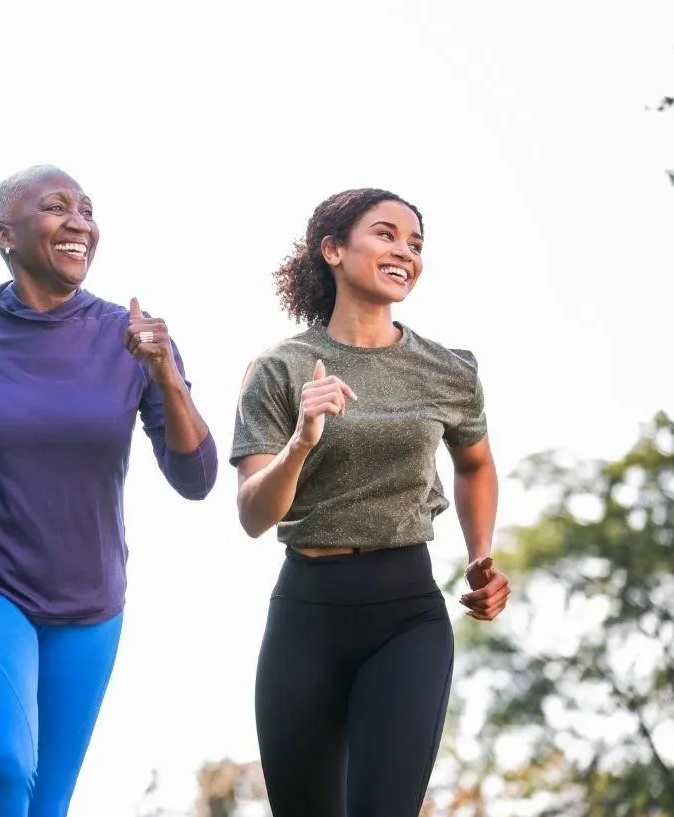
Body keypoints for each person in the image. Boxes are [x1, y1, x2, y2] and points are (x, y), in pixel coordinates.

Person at [0, 165, 218, 817]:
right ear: (4, 235)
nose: (79, 222)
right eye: (56, 208)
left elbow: (196, 477)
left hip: (92, 597)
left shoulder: (135, 337)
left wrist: (166, 377)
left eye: (87, 210)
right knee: (6, 762)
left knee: (49, 800)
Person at [230, 188, 511, 817]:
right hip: (307, 613)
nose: (404, 253)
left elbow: (475, 463)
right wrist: (301, 442)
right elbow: (253, 514)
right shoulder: (281, 369)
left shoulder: (449, 370)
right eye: (386, 235)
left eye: (415, 244)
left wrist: (481, 553)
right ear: (332, 250)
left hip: (405, 613)